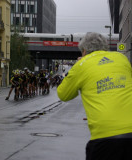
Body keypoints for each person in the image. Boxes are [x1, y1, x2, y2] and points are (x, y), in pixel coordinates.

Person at [57, 32, 132, 160]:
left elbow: (63, 94)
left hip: (105, 137)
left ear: (84, 51)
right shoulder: (122, 58)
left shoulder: (81, 65)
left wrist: (77, 66)